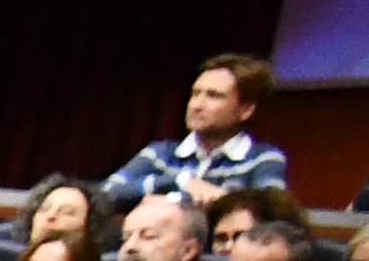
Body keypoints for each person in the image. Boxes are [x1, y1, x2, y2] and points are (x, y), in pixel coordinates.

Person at [104, 54, 287, 207]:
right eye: (195, 93)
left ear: (245, 109)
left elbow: (273, 213)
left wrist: (223, 202)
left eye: (213, 95)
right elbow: (105, 194)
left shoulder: (263, 159)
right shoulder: (160, 154)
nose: (196, 105)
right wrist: (180, 181)